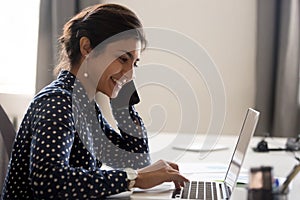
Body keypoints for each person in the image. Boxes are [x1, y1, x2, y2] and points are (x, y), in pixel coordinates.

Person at [1, 3, 188, 199]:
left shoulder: (85, 105)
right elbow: (48, 182)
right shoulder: (57, 103)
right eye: (123, 59)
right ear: (87, 48)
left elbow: (136, 161)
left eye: (135, 63)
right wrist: (134, 178)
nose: (131, 74)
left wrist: (124, 103)